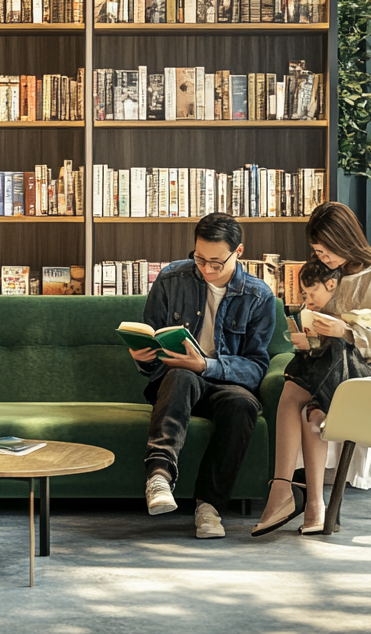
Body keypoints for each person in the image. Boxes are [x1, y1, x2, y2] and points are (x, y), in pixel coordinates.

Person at [252, 201, 371, 537]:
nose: (322, 257)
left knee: (305, 395)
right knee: (296, 393)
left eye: (326, 249)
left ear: (345, 239)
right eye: (317, 250)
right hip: (332, 367)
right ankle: (295, 496)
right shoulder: (328, 276)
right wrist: (308, 337)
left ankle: (297, 499)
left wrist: (345, 331)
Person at [129, 212, 277, 539]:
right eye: (199, 259)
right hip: (176, 384)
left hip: (225, 386)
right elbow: (153, 346)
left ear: (238, 253)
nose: (206, 270)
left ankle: (209, 507)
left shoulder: (259, 296)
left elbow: (255, 366)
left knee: (243, 405)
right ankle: (159, 477)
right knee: (181, 376)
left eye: (216, 263)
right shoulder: (171, 279)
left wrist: (206, 366)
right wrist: (143, 357)